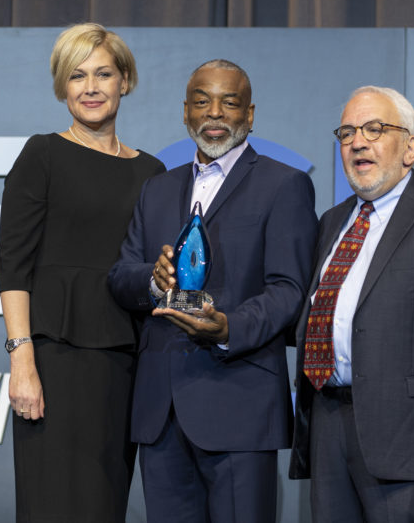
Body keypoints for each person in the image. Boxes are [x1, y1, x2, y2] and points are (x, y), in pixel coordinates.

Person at [108, 59, 318, 523]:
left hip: (239, 405)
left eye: (230, 102)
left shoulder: (285, 185)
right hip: (160, 412)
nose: (215, 113)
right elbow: (120, 275)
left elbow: (288, 290)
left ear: (250, 114)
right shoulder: (157, 188)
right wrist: (152, 278)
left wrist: (227, 328)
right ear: (186, 112)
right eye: (202, 101)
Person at [289, 86, 414, 522]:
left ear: (410, 148)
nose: (357, 142)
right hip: (329, 430)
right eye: (346, 133)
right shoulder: (332, 222)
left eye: (374, 129)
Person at [0, 23, 165, 523]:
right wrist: (22, 360)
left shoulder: (152, 172)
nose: (90, 87)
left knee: (103, 506)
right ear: (62, 88)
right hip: (54, 364)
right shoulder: (42, 154)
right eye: (76, 76)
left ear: (125, 80)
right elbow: (13, 266)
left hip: (125, 365)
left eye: (103, 74)